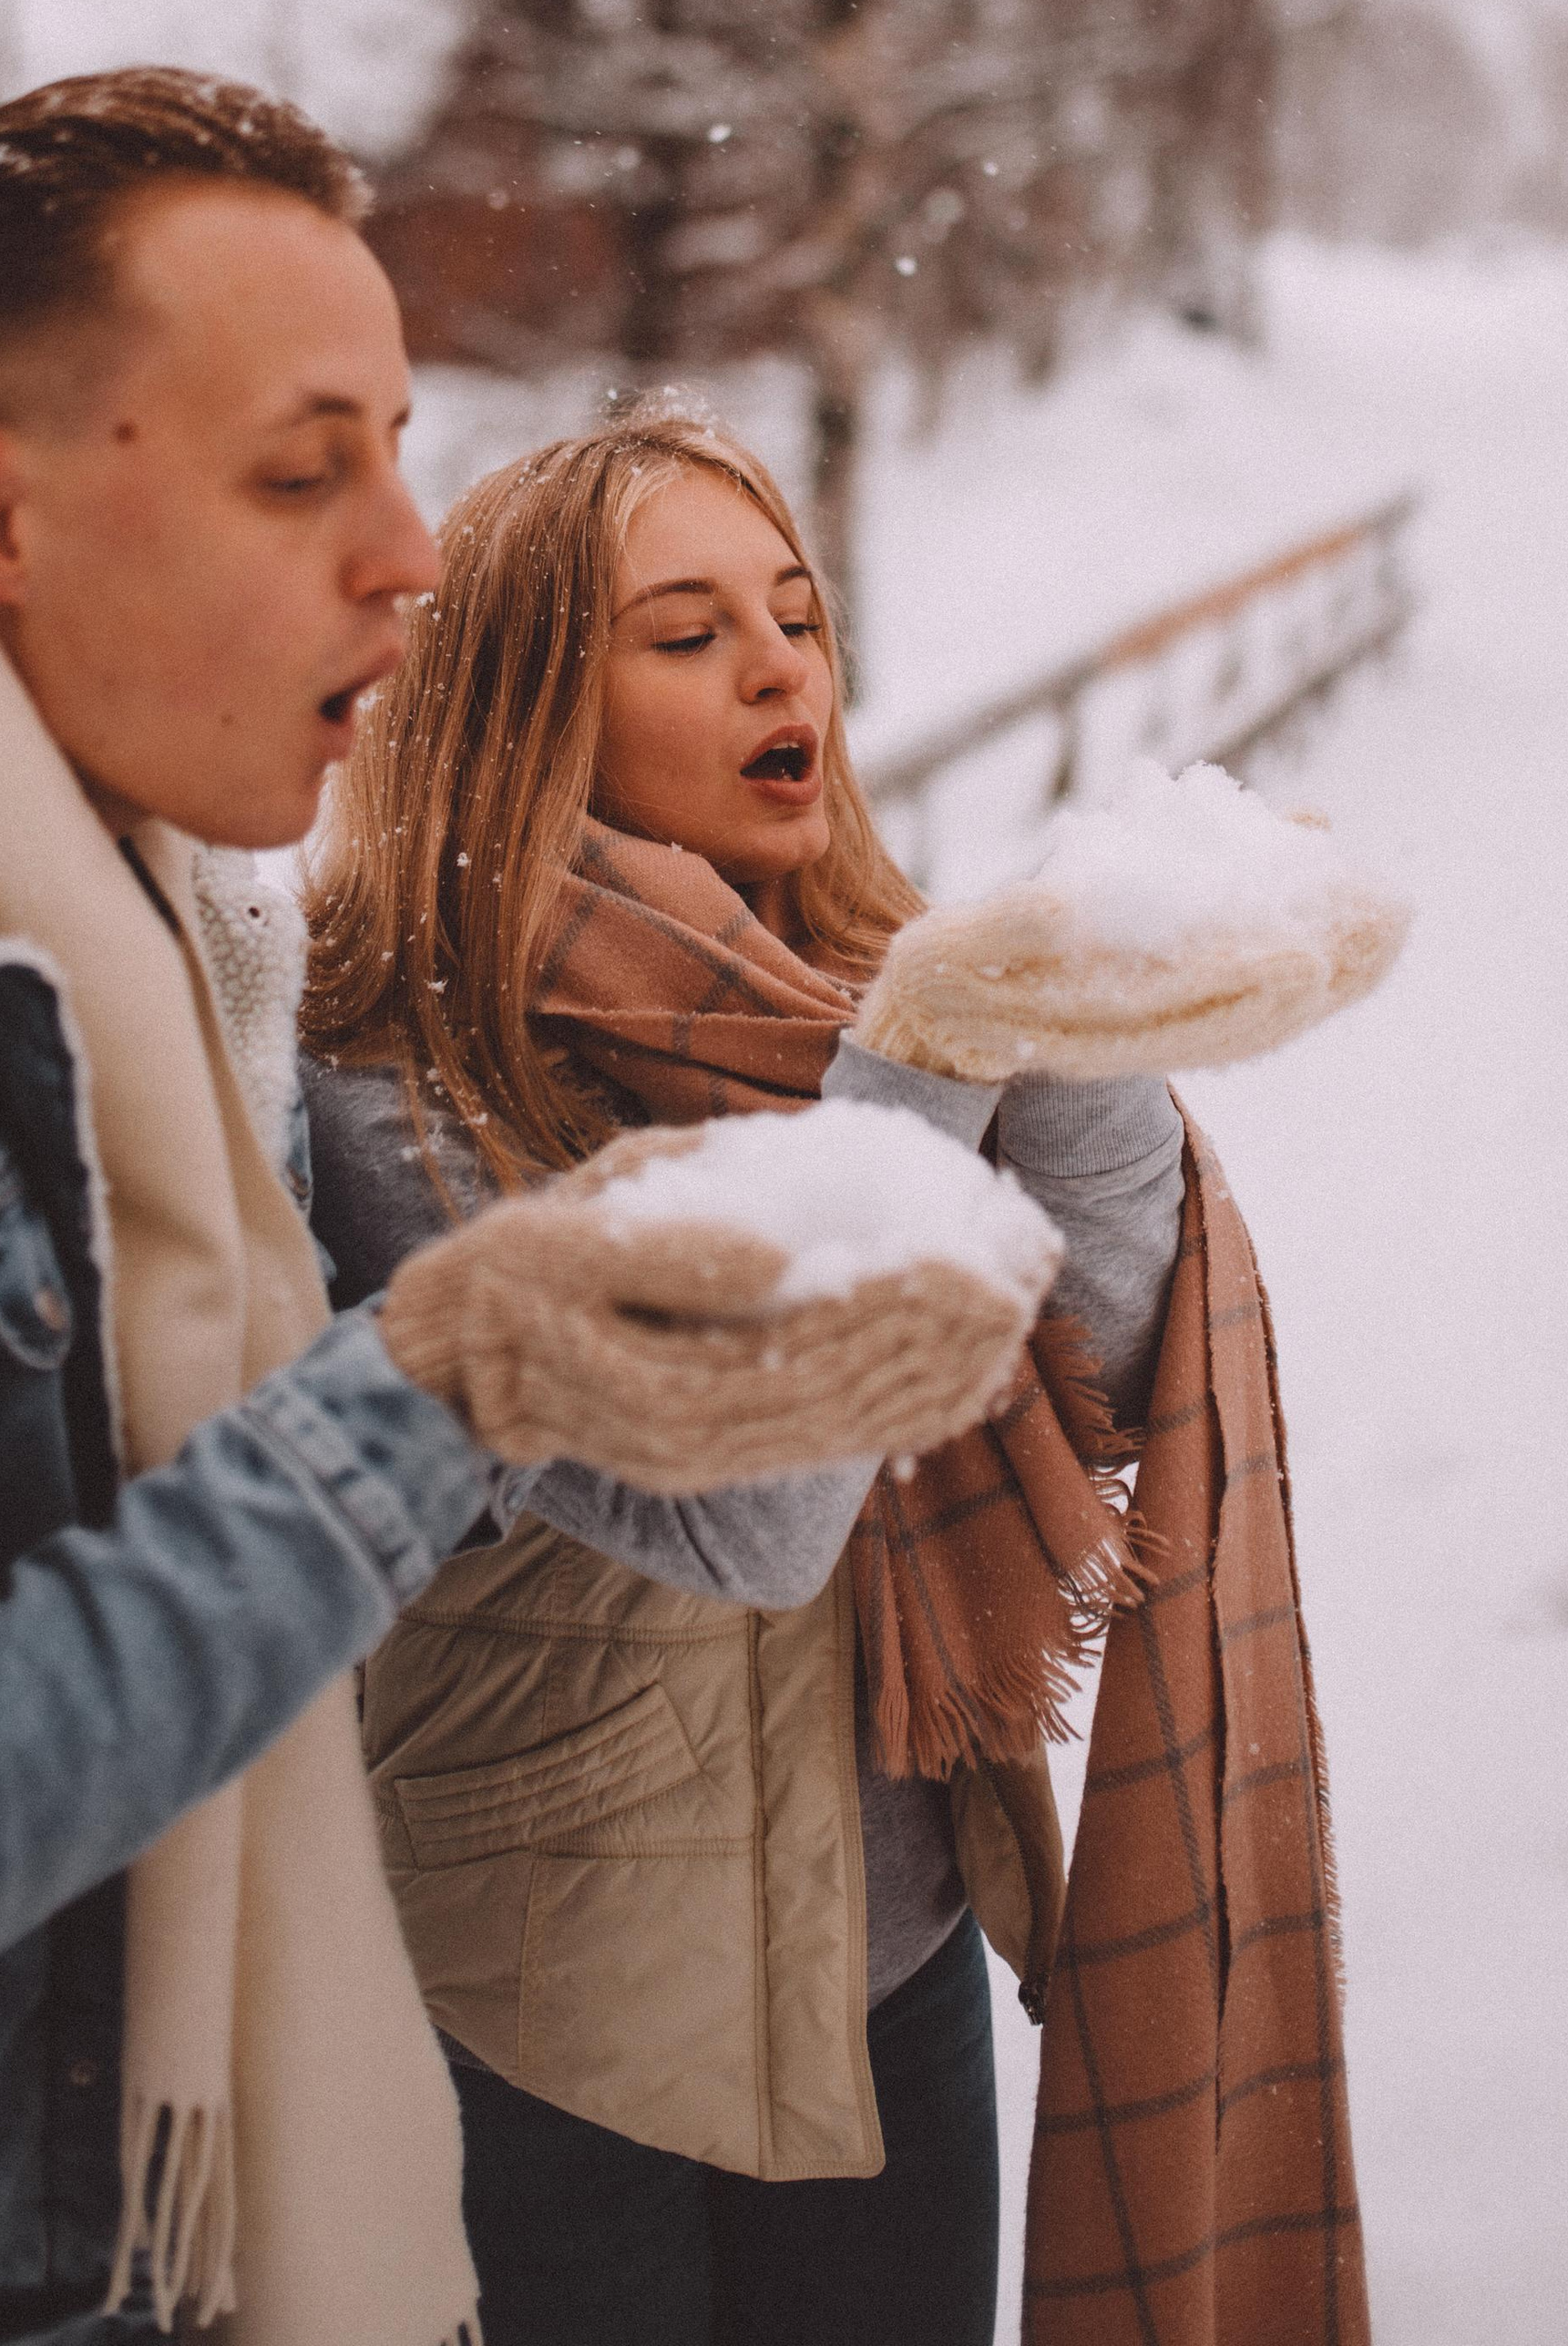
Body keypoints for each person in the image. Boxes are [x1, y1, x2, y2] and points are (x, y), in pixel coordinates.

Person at [0, 73, 1036, 2346]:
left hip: (175, 2227)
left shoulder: (165, 908)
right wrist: (446, 1372)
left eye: (393, 443)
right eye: (308, 470)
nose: (406, 546)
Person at [302, 410, 1235, 2346]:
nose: (777, 664)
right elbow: (742, 1514)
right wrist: (924, 1066)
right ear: (518, 700)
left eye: (795, 614)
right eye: (684, 629)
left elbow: (1108, 1361)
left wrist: (1075, 1024)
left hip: (884, 1927)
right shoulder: (399, 1075)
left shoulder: (838, 992)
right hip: (546, 1987)